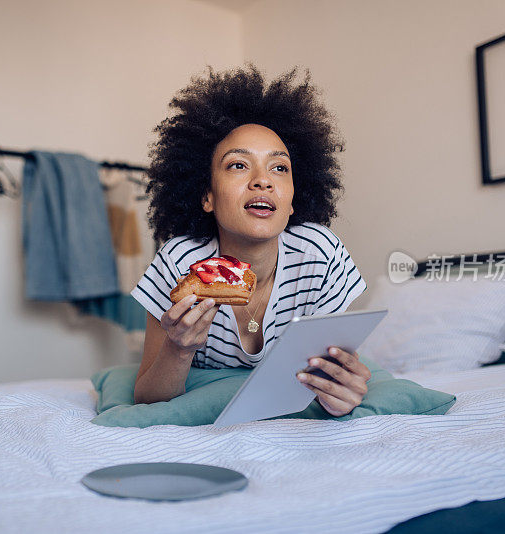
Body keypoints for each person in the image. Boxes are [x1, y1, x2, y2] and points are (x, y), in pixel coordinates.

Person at [130, 64, 370, 417]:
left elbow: (335, 371)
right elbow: (147, 399)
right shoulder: (179, 261)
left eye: (280, 167)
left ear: (291, 201)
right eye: (238, 166)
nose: (263, 181)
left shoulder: (320, 255)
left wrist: (341, 392)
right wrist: (179, 349)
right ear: (207, 196)